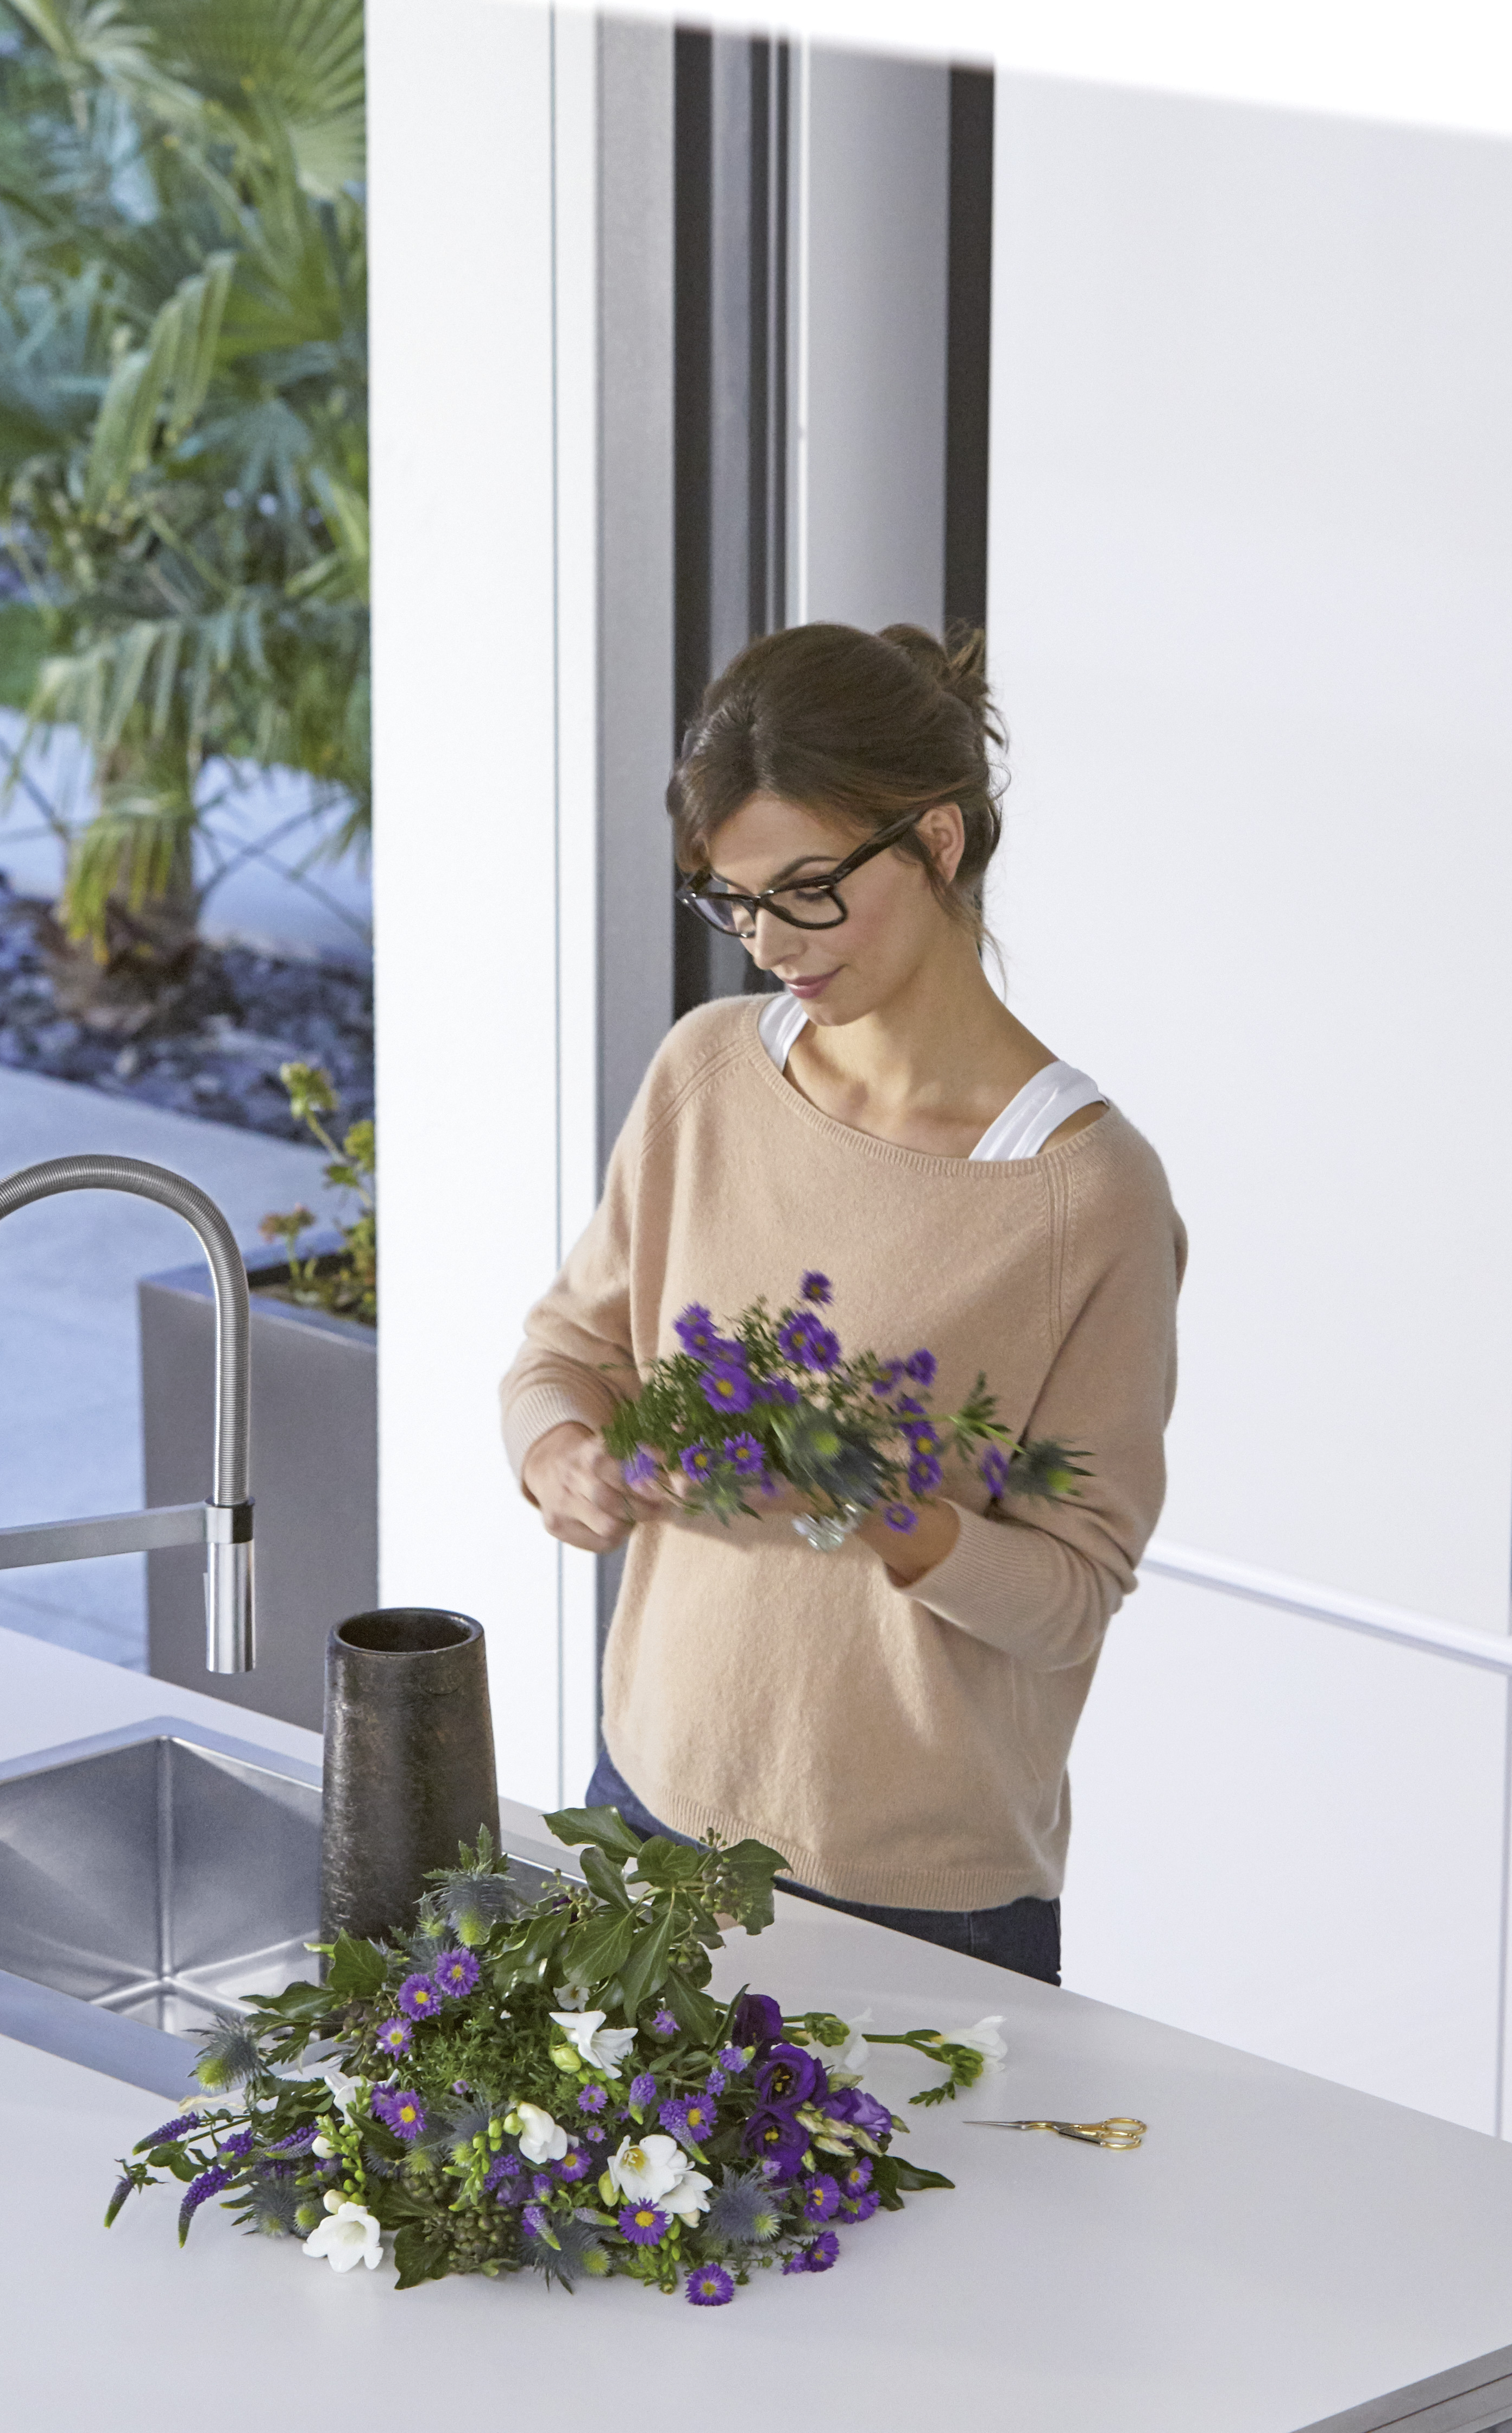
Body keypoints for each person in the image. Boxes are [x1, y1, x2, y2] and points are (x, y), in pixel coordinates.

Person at [498, 621, 1186, 1984]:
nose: (769, 944)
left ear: (936, 843)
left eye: (807, 891)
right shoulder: (707, 1075)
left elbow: (1072, 1595)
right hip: (651, 1799)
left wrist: (883, 1510)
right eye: (736, 900)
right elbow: (564, 1345)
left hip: (919, 1896)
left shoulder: (1082, 1193)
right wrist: (555, 1450)